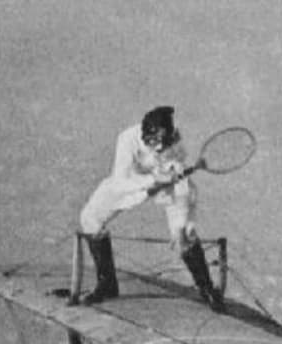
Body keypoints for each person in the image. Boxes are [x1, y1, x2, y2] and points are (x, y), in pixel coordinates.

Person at [75, 106, 224, 311]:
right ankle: (107, 284)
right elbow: (120, 182)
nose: (159, 148)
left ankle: (207, 290)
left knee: (185, 234)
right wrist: (152, 180)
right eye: (154, 142)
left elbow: (181, 190)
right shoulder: (127, 139)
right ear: (145, 134)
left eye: (164, 143)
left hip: (169, 189)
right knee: (89, 218)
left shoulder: (176, 143)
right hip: (132, 183)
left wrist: (180, 225)